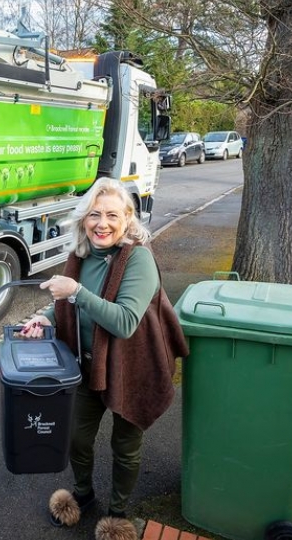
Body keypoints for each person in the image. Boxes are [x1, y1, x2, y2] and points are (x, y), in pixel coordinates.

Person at [20, 177, 188, 540]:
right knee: (77, 438)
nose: (103, 223)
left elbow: (125, 322)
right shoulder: (80, 258)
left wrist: (76, 293)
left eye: (112, 214)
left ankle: (118, 514)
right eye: (94, 214)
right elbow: (65, 304)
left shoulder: (138, 259)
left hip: (133, 367)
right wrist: (43, 317)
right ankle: (82, 494)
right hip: (87, 366)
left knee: (125, 445)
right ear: (83, 220)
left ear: (127, 217)